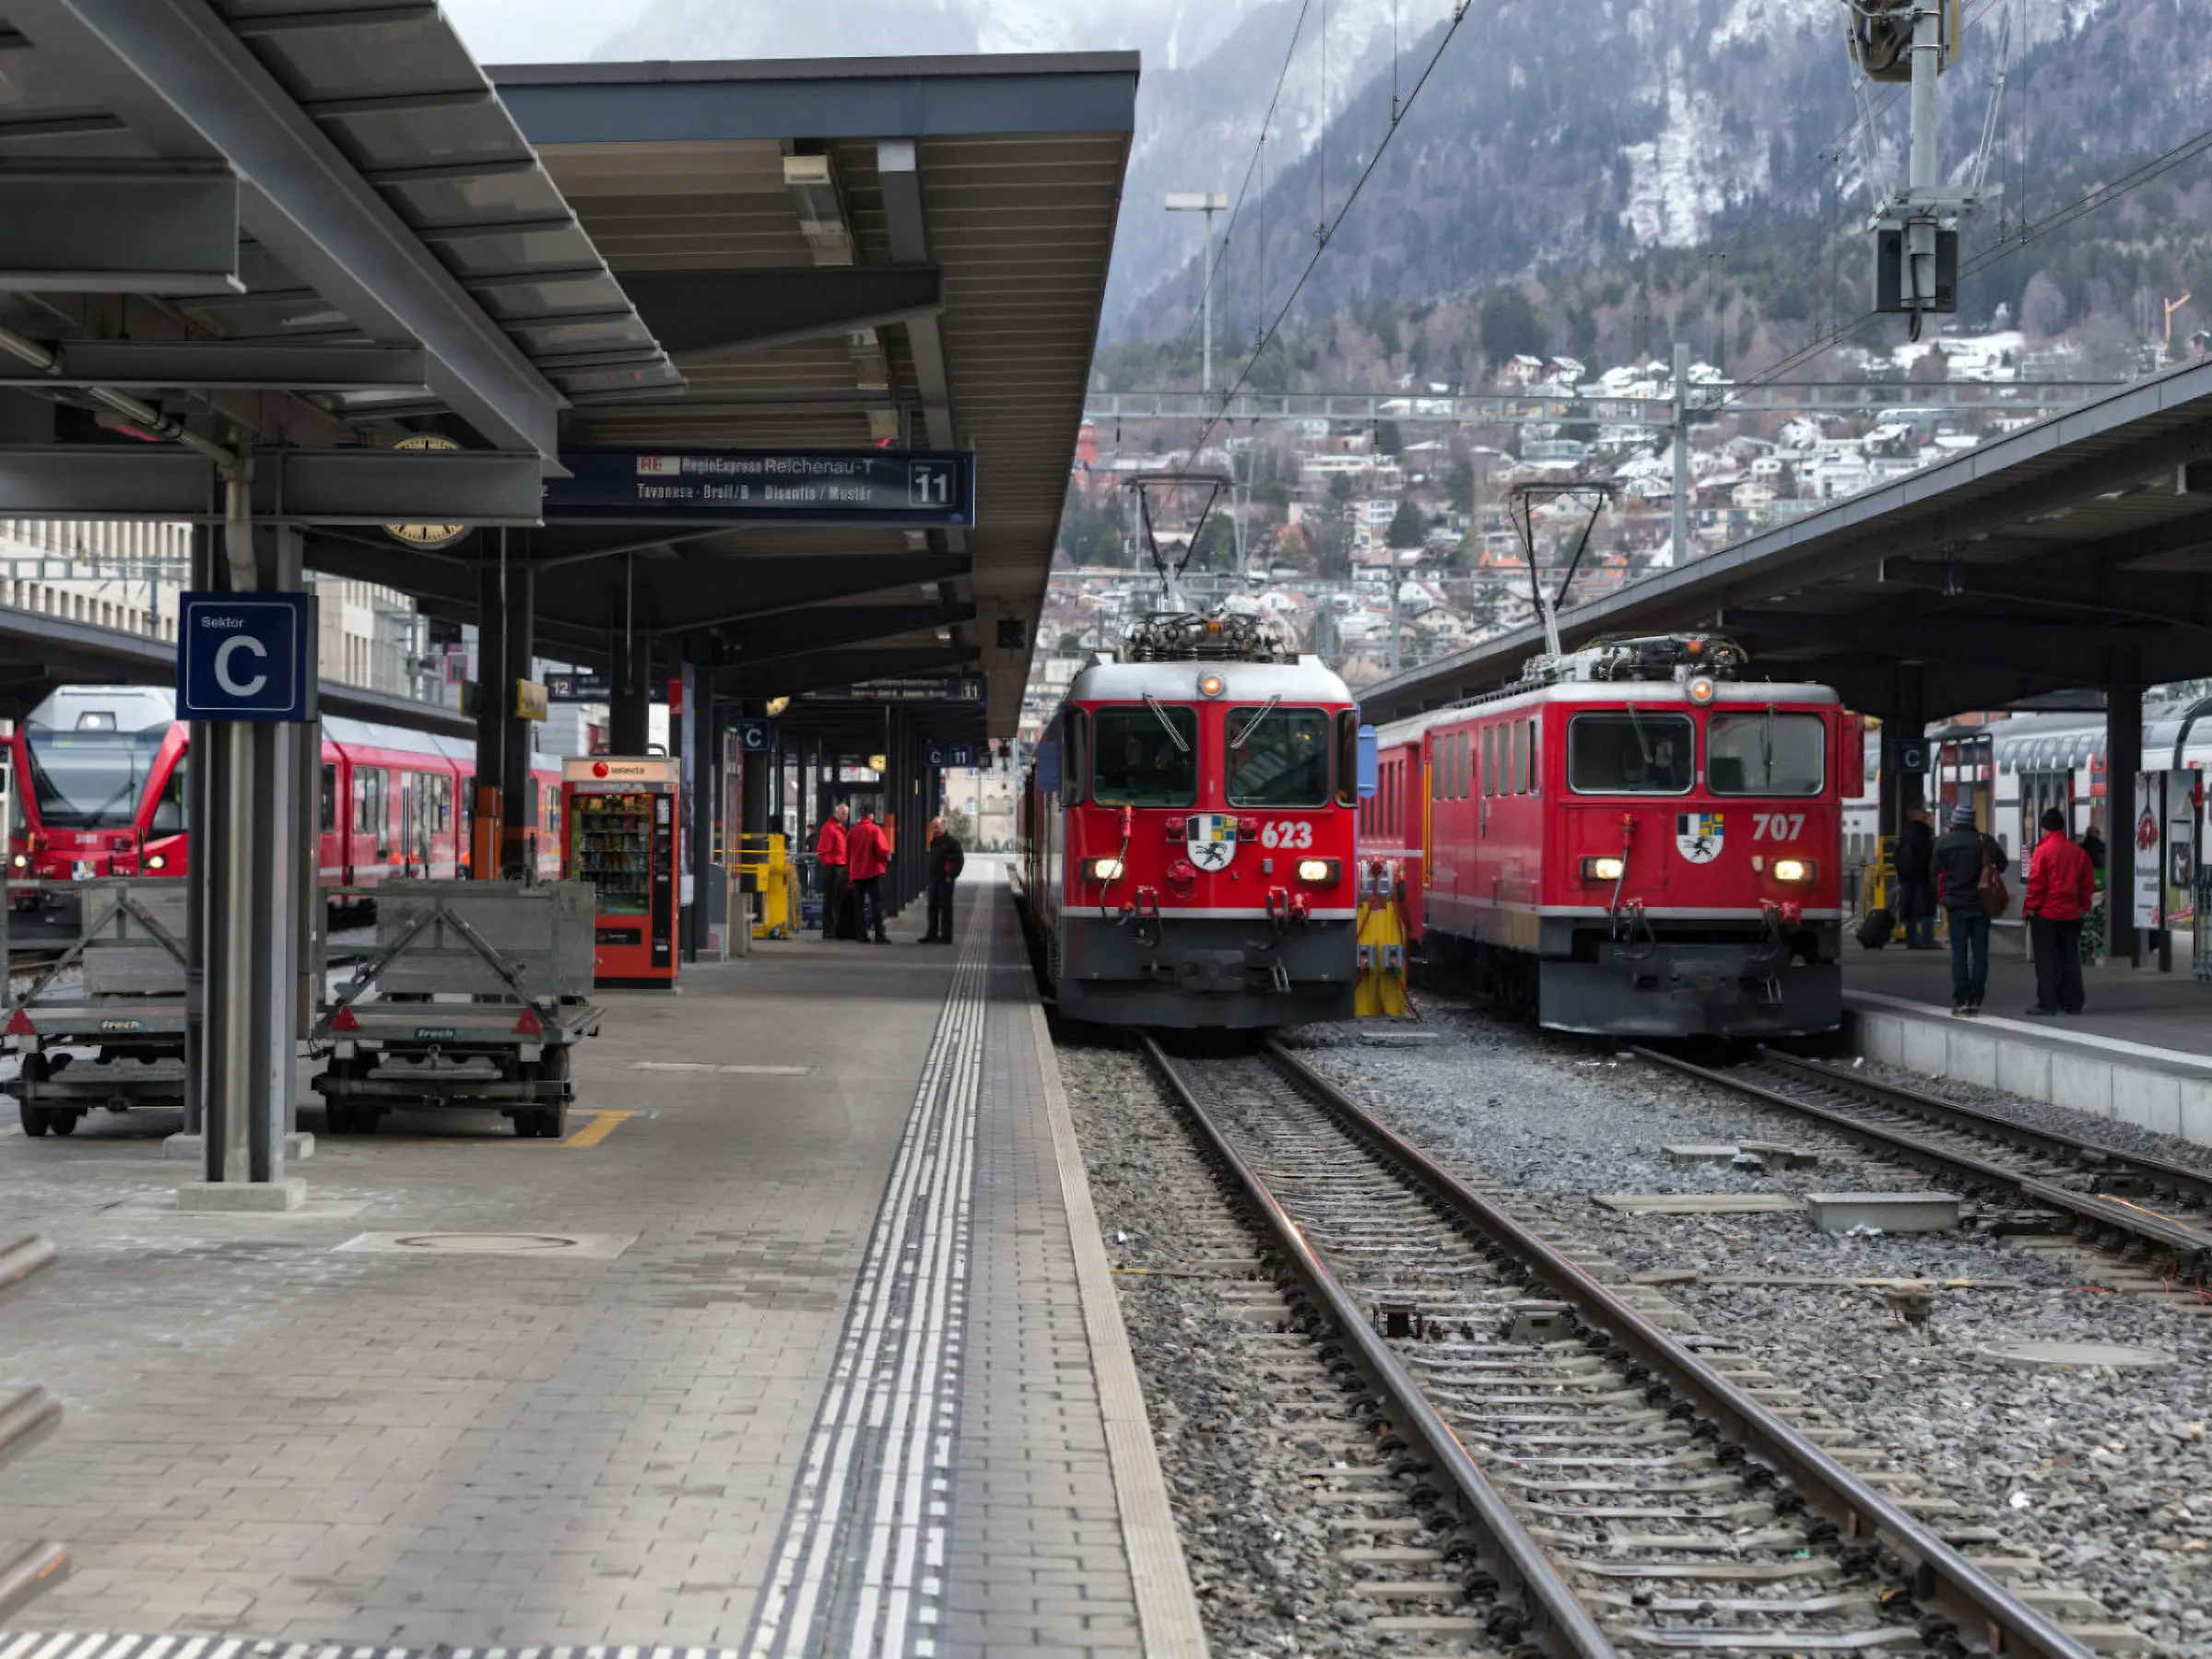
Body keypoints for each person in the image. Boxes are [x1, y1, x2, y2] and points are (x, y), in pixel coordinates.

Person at [1931, 802, 2008, 1016]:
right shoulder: (1985, 841)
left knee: (1959, 954)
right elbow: (2002, 865)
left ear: (1955, 820)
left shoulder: (1943, 843)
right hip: (1981, 903)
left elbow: (1933, 871)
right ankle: (1976, 999)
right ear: (1972, 820)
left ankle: (1961, 1001)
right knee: (1980, 954)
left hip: (1955, 904)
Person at [2023, 806, 2097, 1017]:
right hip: (2072, 914)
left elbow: (2036, 885)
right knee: (2070, 957)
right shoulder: (2078, 852)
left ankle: (2048, 1001)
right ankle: (2073, 1002)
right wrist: (2083, 907)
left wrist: (2030, 909)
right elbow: (2087, 885)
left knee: (2046, 960)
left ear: (2045, 829)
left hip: (2047, 914)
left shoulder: (2043, 852)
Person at [1894, 803, 1937, 949]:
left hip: (1907, 878)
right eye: (1923, 812)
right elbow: (1930, 856)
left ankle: (1912, 940)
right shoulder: (1924, 833)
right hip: (1923, 878)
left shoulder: (1905, 833)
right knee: (1927, 909)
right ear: (1918, 815)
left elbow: (1898, 855)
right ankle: (1927, 939)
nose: (1926, 814)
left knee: (1909, 909)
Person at [846, 807, 891, 943]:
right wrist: (884, 861)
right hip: (873, 871)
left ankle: (862, 935)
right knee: (876, 903)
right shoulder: (875, 830)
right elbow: (883, 850)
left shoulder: (852, 831)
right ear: (871, 815)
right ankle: (879, 935)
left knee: (859, 905)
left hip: (857, 873)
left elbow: (846, 853)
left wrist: (849, 870)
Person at [920, 815, 964, 943]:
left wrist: (951, 875)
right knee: (932, 907)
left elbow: (958, 861)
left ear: (944, 826)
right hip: (934, 879)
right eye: (933, 827)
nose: (935, 829)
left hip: (946, 879)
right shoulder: (933, 842)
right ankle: (932, 933)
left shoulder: (952, 843)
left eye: (937, 826)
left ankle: (946, 936)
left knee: (946, 908)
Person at [815, 802, 850, 942]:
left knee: (839, 901)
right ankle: (829, 931)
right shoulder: (830, 828)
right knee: (831, 901)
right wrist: (830, 866)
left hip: (841, 868)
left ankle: (837, 929)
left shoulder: (840, 829)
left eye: (846, 814)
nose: (845, 816)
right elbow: (824, 850)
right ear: (836, 813)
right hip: (833, 868)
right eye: (842, 813)